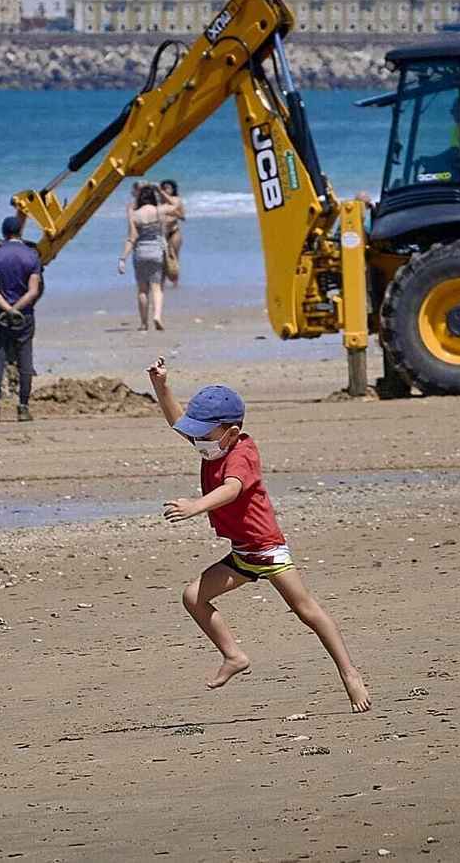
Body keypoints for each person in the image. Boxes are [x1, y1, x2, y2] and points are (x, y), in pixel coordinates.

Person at [145, 356, 371, 712]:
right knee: (193, 598)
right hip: (242, 554)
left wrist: (196, 506)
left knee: (306, 610)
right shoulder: (213, 444)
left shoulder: (241, 453)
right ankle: (233, 655)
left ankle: (349, 673)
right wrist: (162, 385)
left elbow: (232, 489)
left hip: (267, 550)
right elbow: (177, 420)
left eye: (203, 434)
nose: (196, 440)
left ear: (230, 432)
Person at [0, 216, 43, 423]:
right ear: (20, 232)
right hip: (23, 316)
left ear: (3, 233)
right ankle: (23, 407)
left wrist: (7, 309)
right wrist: (16, 309)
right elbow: (33, 291)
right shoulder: (31, 257)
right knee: (25, 360)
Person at [119, 183, 178, 331]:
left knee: (142, 290)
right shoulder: (159, 211)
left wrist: (122, 259)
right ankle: (157, 315)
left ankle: (144, 324)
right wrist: (159, 190)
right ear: (153, 198)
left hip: (140, 253)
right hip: (156, 252)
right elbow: (175, 205)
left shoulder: (135, 215)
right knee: (156, 287)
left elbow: (131, 238)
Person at [159, 179, 187, 284]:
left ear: (173, 189)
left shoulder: (176, 200)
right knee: (161, 259)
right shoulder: (158, 202)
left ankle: (175, 282)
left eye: (168, 188)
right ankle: (162, 282)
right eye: (164, 188)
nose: (166, 190)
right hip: (161, 233)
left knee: (174, 257)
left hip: (174, 231)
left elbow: (183, 217)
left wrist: (173, 213)